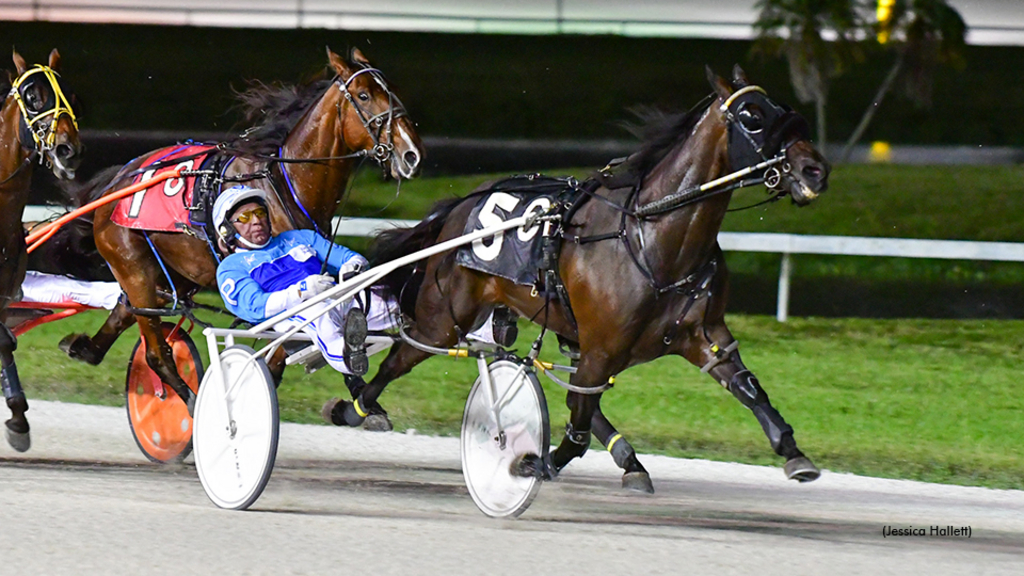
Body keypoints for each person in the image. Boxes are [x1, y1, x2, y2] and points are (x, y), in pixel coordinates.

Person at [212, 185, 503, 432]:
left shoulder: (298, 238)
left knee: (401, 297)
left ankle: (483, 326)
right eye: (244, 218)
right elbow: (254, 306)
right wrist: (301, 292)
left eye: (260, 213)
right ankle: (351, 357)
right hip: (295, 316)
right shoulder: (232, 268)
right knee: (321, 314)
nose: (257, 221)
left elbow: (345, 256)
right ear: (227, 230)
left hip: (343, 298)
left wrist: (353, 266)